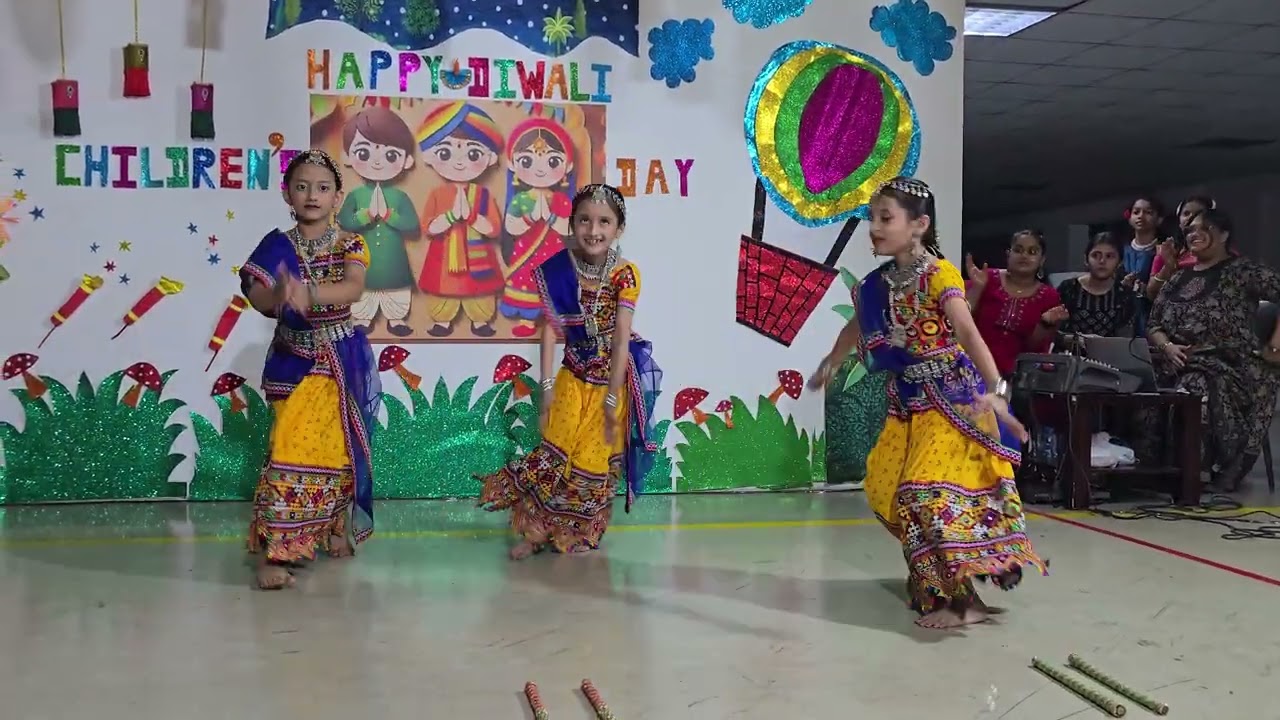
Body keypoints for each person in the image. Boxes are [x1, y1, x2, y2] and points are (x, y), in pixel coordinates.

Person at [809, 176, 1046, 629]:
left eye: (886, 218)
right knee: (888, 490)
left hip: (955, 400)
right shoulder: (877, 285)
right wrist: (831, 363)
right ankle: (940, 594)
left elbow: (967, 332)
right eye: (871, 219)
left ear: (919, 225)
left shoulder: (940, 274)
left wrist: (996, 394)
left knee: (925, 490)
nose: (874, 228)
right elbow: (854, 328)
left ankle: (963, 604)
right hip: (908, 403)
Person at [477, 183, 662, 560]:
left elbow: (623, 338)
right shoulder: (562, 269)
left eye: (604, 222)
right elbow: (550, 329)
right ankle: (534, 532)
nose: (594, 230)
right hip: (571, 377)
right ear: (573, 224)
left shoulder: (625, 275)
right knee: (553, 453)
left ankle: (572, 532)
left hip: (609, 381)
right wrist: (546, 387)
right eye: (585, 221)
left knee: (591, 461)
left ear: (619, 229)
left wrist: (612, 398)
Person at [239, 149, 381, 590]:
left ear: (338, 198)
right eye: (302, 186)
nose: (312, 195)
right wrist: (280, 292)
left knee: (336, 449)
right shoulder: (276, 246)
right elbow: (257, 300)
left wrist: (309, 292)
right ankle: (276, 550)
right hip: (293, 360)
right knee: (288, 448)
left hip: (340, 359)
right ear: (287, 194)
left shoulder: (349, 243)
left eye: (322, 188)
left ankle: (331, 526)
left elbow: (354, 288)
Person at [1145, 208, 1280, 490]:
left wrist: (1276, 345)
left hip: (1227, 365)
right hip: (1171, 362)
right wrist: (1167, 346)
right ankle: (1148, 470)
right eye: (1190, 229)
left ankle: (1195, 472)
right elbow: (1153, 324)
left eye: (1202, 228)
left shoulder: (1243, 271)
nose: (1193, 234)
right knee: (1135, 386)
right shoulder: (1178, 278)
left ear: (1223, 235)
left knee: (1194, 385)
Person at [416, 101, 506, 337]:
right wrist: (450, 217)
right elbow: (428, 227)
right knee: (441, 291)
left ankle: (481, 322)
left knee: (481, 293)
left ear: (490, 158)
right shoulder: (437, 194)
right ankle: (441, 322)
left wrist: (471, 217)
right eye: (445, 152)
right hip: (444, 258)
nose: (459, 161)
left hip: (479, 261)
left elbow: (494, 229)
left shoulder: (483, 194)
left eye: (473, 153)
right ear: (429, 156)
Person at [337, 106, 421, 337]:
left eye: (390, 155)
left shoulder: (399, 196)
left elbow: (412, 225)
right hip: (362, 259)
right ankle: (362, 318)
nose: (376, 163)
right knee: (363, 288)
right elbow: (344, 220)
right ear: (347, 156)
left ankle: (397, 319)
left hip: (394, 259)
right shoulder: (356, 195)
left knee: (396, 290)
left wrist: (389, 216)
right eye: (364, 154)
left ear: (407, 160)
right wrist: (364, 216)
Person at [500, 117, 576, 337]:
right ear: (513, 164)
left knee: (555, 283)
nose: (540, 170)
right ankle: (527, 319)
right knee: (528, 283)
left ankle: (556, 318)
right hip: (527, 252)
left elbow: (568, 229)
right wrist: (530, 218)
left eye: (552, 162)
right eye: (527, 161)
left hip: (554, 253)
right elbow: (511, 227)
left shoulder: (561, 201)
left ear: (567, 166)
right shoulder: (520, 200)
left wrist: (550, 218)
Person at [964, 230, 1065, 378]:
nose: (1024, 256)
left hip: (1017, 379)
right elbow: (960, 321)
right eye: (1018, 250)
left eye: (1032, 252)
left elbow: (1034, 348)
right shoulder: (987, 278)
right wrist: (977, 288)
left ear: (1042, 260)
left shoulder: (1049, 296)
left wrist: (1045, 324)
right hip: (971, 368)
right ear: (1008, 254)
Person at [1056, 231, 1137, 339]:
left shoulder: (1124, 295)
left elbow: (1124, 341)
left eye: (1109, 256)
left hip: (1110, 354)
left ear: (1120, 262)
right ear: (1086, 259)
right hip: (1071, 353)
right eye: (1095, 255)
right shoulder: (1069, 288)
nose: (1102, 261)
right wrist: (1078, 340)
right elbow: (1054, 333)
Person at [1121, 196, 1166, 334]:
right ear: (1129, 218)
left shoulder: (1165, 252)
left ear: (1159, 219)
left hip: (1154, 317)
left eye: (1148, 212)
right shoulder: (1119, 251)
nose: (1141, 216)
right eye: (1136, 212)